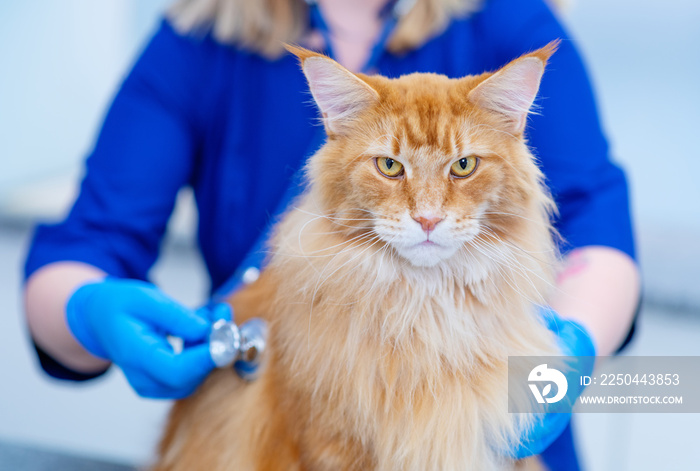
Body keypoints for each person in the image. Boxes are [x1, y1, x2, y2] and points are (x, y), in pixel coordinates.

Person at [22, 0, 640, 468]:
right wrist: (89, 311)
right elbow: (90, 239)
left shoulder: (506, 20)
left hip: (517, 409)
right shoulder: (199, 33)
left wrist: (573, 349)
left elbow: (597, 222)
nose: (427, 212)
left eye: (458, 169)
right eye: (392, 169)